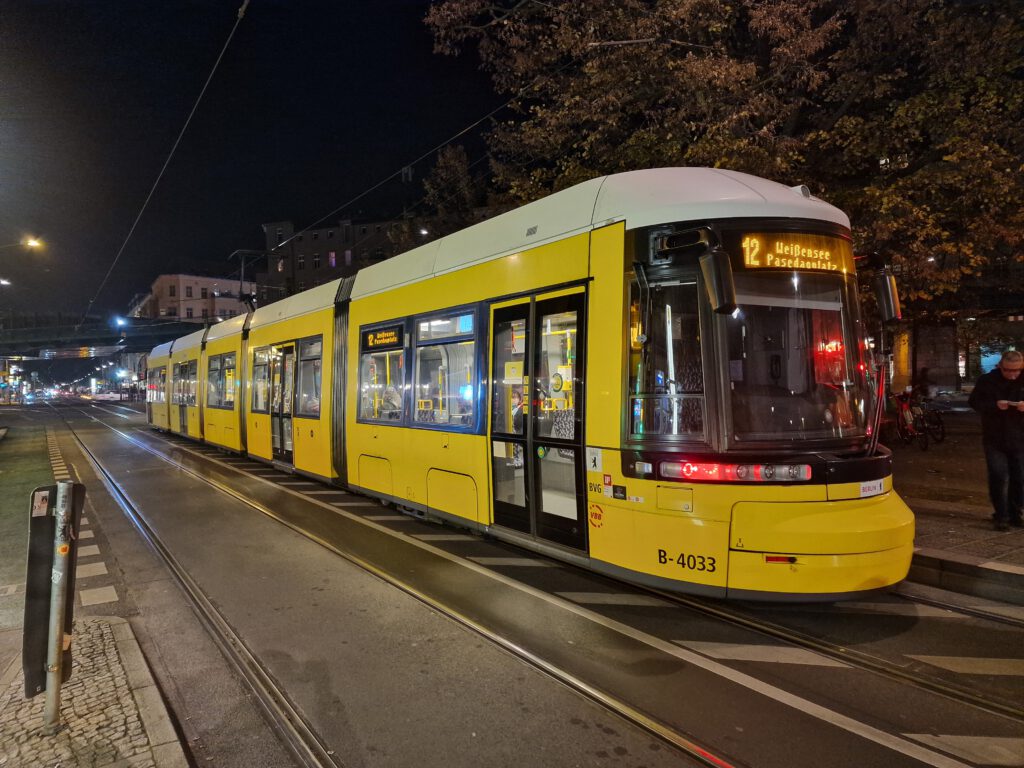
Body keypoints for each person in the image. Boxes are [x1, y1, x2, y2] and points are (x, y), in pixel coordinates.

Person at [969, 350, 1024, 531]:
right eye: (1008, 370)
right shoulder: (987, 381)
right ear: (1000, 366)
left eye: (1016, 371)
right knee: (998, 475)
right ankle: (1001, 515)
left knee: (1019, 477)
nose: (1012, 374)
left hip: (1020, 437)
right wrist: (994, 406)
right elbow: (975, 402)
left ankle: (1015, 512)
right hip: (995, 438)